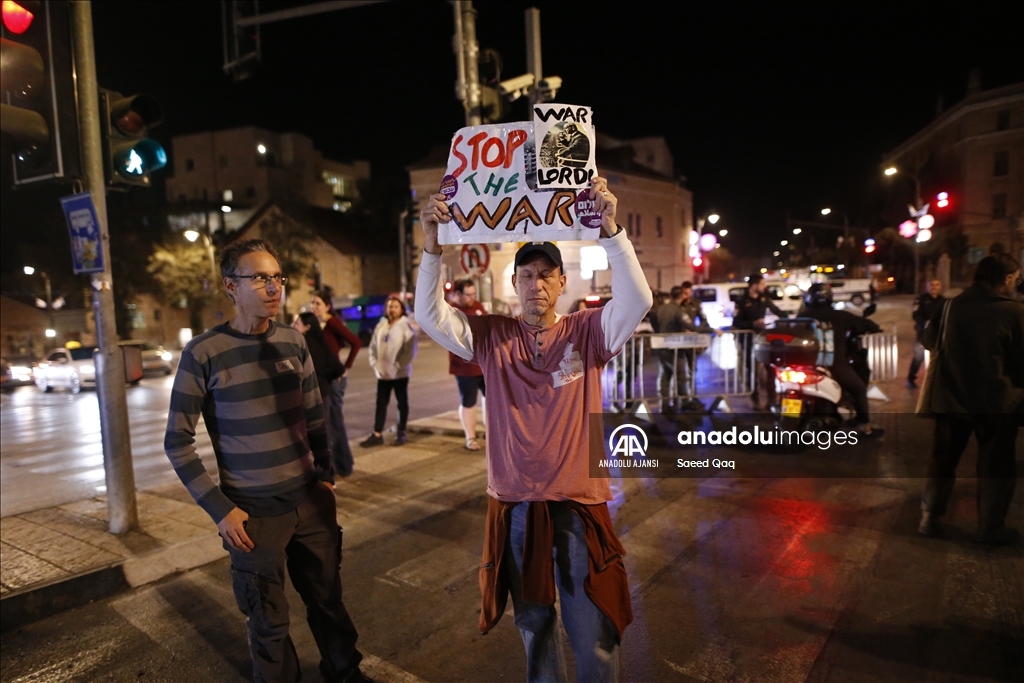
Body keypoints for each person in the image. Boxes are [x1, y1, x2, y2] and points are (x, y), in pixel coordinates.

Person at [415, 175, 652, 682]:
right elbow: (430, 316)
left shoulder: (588, 330)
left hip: (579, 504)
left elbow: (638, 303)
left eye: (548, 274)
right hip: (517, 506)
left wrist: (611, 232)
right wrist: (432, 248)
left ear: (562, 283)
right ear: (514, 283)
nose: (537, 283)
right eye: (528, 274)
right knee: (535, 627)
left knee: (595, 633)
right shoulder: (492, 335)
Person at [163, 239, 370, 683]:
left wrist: (326, 480)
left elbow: (317, 421)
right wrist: (221, 510)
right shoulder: (203, 353)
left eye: (277, 278)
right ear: (230, 287)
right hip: (252, 516)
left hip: (310, 504)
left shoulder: (294, 343)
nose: (273, 287)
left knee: (328, 602)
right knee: (268, 620)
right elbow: (177, 442)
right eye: (259, 277)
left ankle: (344, 673)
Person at [919, 254, 1024, 544]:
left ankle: (929, 518)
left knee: (943, 460)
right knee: (996, 467)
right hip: (997, 404)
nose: (1016, 284)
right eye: (1016, 279)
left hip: (950, 398)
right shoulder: (1013, 312)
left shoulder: (950, 306)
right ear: (1005, 280)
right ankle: (990, 528)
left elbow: (929, 342)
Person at [801, 282, 884, 437]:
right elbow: (867, 324)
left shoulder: (801, 316)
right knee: (859, 388)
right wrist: (870, 326)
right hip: (834, 365)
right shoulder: (840, 315)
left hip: (807, 366)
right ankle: (865, 427)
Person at [311, 288, 362, 477]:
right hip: (326, 378)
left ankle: (344, 465)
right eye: (313, 303)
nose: (314, 307)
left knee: (336, 422)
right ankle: (340, 464)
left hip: (335, 379)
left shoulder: (332, 322)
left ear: (327, 306)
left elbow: (355, 342)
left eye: (318, 303)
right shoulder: (320, 325)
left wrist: (346, 367)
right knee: (330, 423)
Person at [360, 296, 417, 447]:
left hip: (399, 374)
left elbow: (410, 350)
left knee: (402, 403)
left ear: (401, 309)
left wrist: (400, 365)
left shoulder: (406, 326)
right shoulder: (381, 325)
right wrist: (374, 363)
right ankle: (377, 434)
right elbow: (373, 346)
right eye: (390, 306)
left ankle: (401, 432)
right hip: (382, 373)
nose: (392, 309)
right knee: (381, 403)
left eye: (396, 306)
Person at [732, 273, 787, 409]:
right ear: (754, 285)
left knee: (770, 369)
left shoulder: (764, 299)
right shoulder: (742, 302)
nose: (765, 286)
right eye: (762, 284)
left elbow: (778, 311)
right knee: (753, 372)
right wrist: (753, 323)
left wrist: (791, 319)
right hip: (749, 340)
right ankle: (755, 400)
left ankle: (771, 400)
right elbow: (737, 322)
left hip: (763, 339)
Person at [448, 279, 488, 450]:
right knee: (469, 402)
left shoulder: (478, 306)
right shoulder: (452, 312)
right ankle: (470, 438)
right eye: (468, 295)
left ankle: (492, 432)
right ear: (457, 294)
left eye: (473, 294)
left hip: (485, 364)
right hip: (464, 366)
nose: (472, 298)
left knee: (492, 400)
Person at [293, 311, 345, 403]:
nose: (294, 326)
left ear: (307, 327)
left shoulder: (304, 345)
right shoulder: (320, 342)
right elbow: (335, 364)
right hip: (324, 392)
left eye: (297, 324)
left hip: (312, 395)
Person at [907, 278, 945, 389]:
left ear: (940, 287)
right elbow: (915, 315)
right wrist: (924, 322)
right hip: (923, 332)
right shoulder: (920, 300)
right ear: (927, 287)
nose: (934, 287)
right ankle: (911, 379)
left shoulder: (943, 301)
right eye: (932, 285)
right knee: (919, 356)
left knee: (939, 357)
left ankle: (938, 380)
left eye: (937, 285)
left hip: (938, 333)